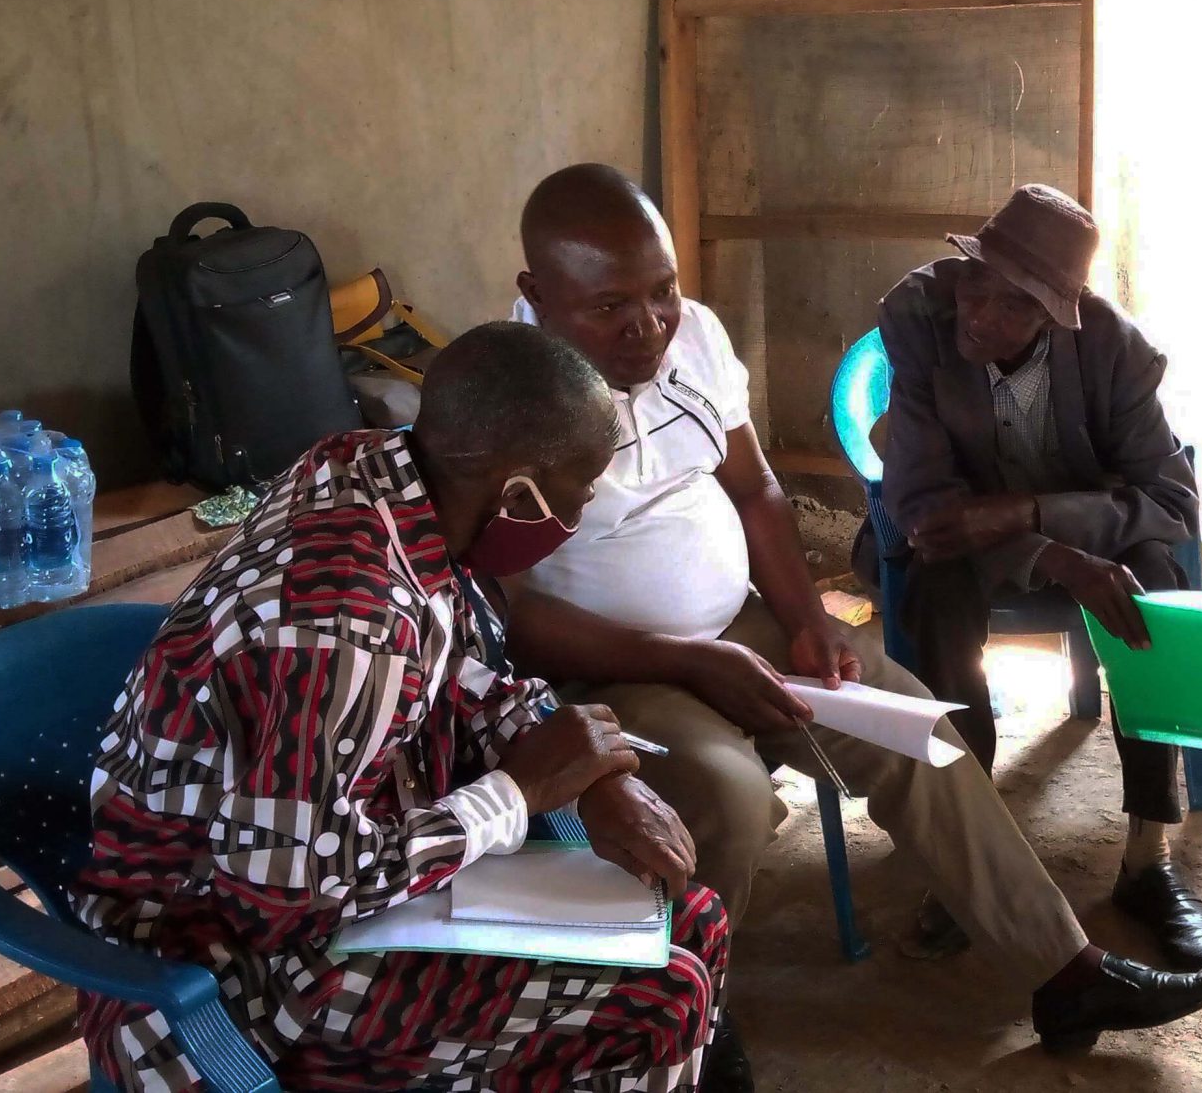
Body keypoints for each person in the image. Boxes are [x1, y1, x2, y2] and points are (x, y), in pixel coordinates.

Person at [502, 163, 1202, 1053]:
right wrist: (692, 662)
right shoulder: (505, 399)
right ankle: (678, 1017)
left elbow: (757, 491)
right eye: (611, 307)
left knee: (917, 729)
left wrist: (808, 618)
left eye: (662, 293)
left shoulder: (692, 336)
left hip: (746, 625)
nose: (649, 325)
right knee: (733, 798)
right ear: (537, 295)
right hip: (621, 663)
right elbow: (505, 615)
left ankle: (1069, 971)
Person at [73, 323, 740, 1092]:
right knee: (660, 999)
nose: (582, 510)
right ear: (515, 488)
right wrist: (514, 794)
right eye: (580, 491)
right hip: (222, 970)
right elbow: (287, 897)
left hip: (326, 869)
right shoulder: (346, 625)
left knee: (692, 919)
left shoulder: (378, 477)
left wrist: (594, 770)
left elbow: (451, 672)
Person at [873, 184, 1202, 970]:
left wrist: (1032, 513)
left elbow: (1169, 499)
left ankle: (1148, 860)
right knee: (933, 588)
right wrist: (1051, 555)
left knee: (1152, 586)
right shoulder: (917, 317)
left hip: (1081, 529)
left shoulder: (1116, 352)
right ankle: (972, 860)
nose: (977, 312)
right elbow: (927, 504)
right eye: (975, 281)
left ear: (1053, 316)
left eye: (1011, 304)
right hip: (957, 540)